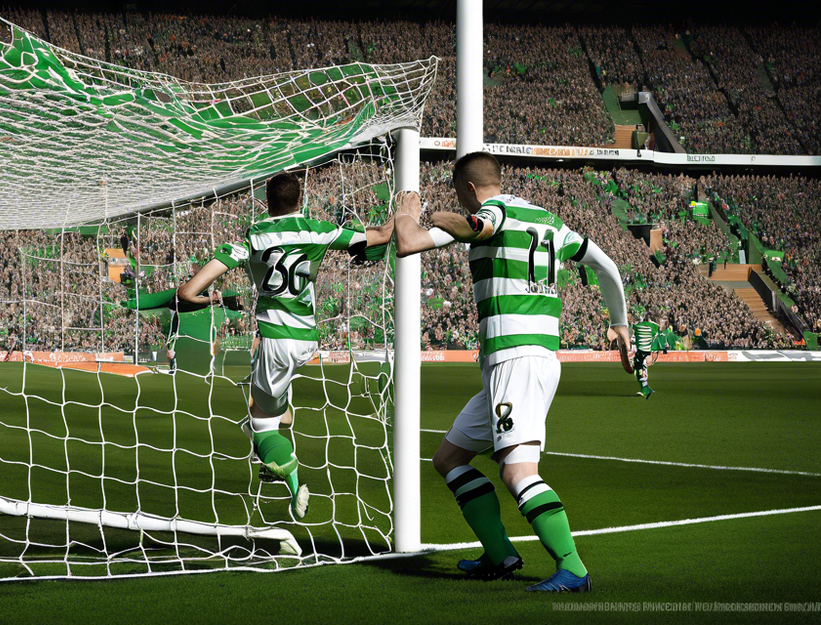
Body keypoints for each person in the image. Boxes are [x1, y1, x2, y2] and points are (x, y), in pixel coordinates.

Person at [393, 152, 632, 593]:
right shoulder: (549, 221)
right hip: (523, 359)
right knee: (448, 459)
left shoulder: (495, 212)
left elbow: (417, 241)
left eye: (459, 195)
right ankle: (500, 552)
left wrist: (410, 212)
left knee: (517, 472)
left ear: (468, 188)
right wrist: (620, 322)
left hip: (515, 358)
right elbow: (606, 264)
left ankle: (573, 569)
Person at [176, 171, 394, 520]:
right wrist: (406, 210)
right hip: (307, 340)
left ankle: (283, 465)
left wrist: (210, 300)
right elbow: (381, 235)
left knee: (260, 423)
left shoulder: (252, 238)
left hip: (275, 339)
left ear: (266, 200)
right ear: (300, 199)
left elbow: (187, 292)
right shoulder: (319, 230)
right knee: (275, 410)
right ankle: (281, 466)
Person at [631, 315, 662, 398]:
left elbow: (634, 339)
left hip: (642, 351)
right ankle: (646, 387)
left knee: (640, 369)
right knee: (640, 368)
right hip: (647, 351)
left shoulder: (637, 326)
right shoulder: (655, 327)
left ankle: (645, 389)